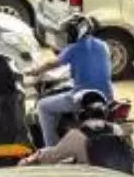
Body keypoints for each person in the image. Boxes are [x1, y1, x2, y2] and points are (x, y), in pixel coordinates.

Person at [27, 15, 114, 147]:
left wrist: (35, 71)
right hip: (107, 96)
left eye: (69, 32)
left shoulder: (74, 48)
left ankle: (52, 148)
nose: (68, 35)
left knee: (43, 106)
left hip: (83, 96)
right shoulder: (103, 45)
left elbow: (52, 63)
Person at [20, 90, 131, 171]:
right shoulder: (117, 129)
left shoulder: (76, 136)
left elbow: (51, 156)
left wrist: (29, 160)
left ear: (81, 113)